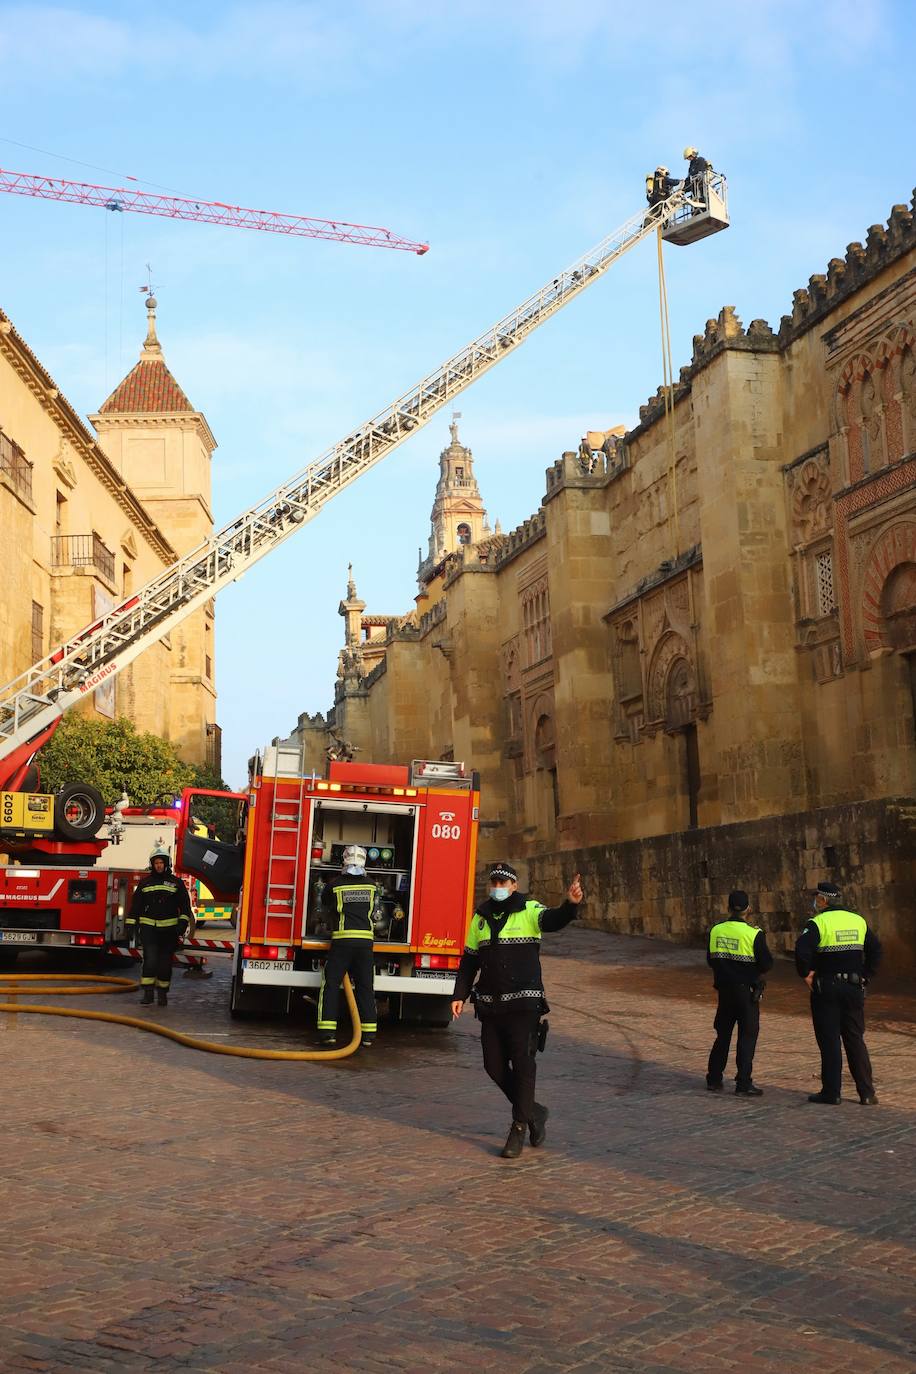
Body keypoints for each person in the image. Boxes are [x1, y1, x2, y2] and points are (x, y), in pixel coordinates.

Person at [451, 863, 583, 1159]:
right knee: (493, 1066)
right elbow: (470, 959)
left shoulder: (529, 909)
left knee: (523, 1066)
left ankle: (519, 1126)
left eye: (503, 882)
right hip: (491, 1005)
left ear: (513, 886)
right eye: (493, 881)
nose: (497, 886)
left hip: (524, 1004)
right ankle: (534, 1111)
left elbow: (552, 920)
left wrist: (570, 905)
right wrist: (459, 994)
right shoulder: (480, 917)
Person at [795, 881, 881, 1105]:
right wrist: (866, 975)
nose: (815, 902)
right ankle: (867, 1093)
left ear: (823, 900)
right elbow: (876, 949)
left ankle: (832, 1092)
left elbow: (802, 951)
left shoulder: (817, 923)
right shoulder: (858, 920)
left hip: (827, 989)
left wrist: (806, 974)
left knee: (830, 1040)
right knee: (855, 1038)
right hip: (853, 987)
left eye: (817, 898)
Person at [706, 890, 773, 1096]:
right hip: (747, 993)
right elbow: (766, 964)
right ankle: (743, 1083)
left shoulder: (716, 930)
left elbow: (711, 960)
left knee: (723, 1036)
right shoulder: (754, 934)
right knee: (747, 1037)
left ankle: (714, 1079)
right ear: (748, 909)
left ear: (728, 908)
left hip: (725, 992)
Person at [317, 844, 378, 1047]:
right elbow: (376, 911)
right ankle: (368, 1035)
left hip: (342, 942)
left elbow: (324, 905)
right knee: (365, 987)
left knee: (332, 985)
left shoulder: (334, 885)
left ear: (343, 861)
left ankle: (328, 1032)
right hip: (365, 944)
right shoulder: (372, 886)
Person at [126, 847, 194, 1007]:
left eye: (161, 862)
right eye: (156, 862)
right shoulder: (145, 883)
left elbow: (185, 907)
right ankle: (148, 993)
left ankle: (162, 994)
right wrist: (131, 926)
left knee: (164, 965)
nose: (158, 865)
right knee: (150, 961)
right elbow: (136, 906)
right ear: (152, 864)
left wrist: (182, 924)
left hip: (169, 932)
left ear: (166, 864)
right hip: (149, 930)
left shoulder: (176, 883)